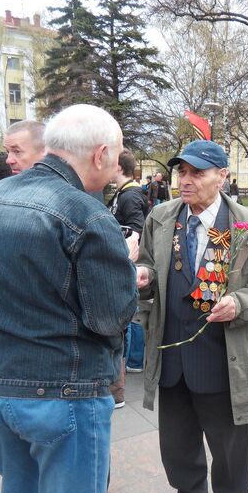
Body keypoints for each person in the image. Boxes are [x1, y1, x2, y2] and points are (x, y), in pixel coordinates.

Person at [0, 104, 138, 493]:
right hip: (63, 397)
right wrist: (127, 268)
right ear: (100, 154)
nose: (118, 165)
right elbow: (111, 318)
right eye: (117, 155)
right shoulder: (87, 214)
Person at [136, 139, 248, 493]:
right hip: (171, 352)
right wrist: (144, 276)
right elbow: (148, 261)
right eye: (181, 172)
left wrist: (240, 301)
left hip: (223, 356)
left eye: (196, 173)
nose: (185, 181)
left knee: (230, 442)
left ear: (222, 176)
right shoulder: (163, 217)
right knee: (177, 437)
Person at [107, 149, 149, 401]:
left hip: (128, 264)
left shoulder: (130, 196)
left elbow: (137, 229)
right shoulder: (126, 194)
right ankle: (131, 363)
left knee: (130, 316)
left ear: (118, 167)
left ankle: (132, 362)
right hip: (125, 263)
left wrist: (124, 250)